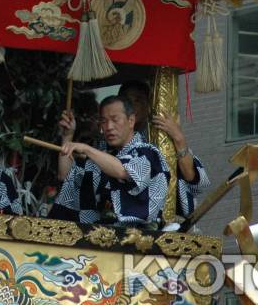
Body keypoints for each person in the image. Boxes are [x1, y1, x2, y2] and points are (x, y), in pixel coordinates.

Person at [50, 95, 169, 226]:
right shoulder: (102, 156)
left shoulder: (148, 152)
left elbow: (122, 171)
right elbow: (65, 175)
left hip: (139, 236)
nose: (109, 127)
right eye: (104, 121)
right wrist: (67, 138)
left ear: (131, 120)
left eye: (114, 119)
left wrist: (86, 149)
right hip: (99, 235)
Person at [121, 80, 211, 221]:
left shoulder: (162, 136)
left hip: (169, 218)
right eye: (127, 101)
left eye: (138, 100)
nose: (132, 106)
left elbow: (193, 179)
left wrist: (178, 138)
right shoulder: (110, 140)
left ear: (148, 104)